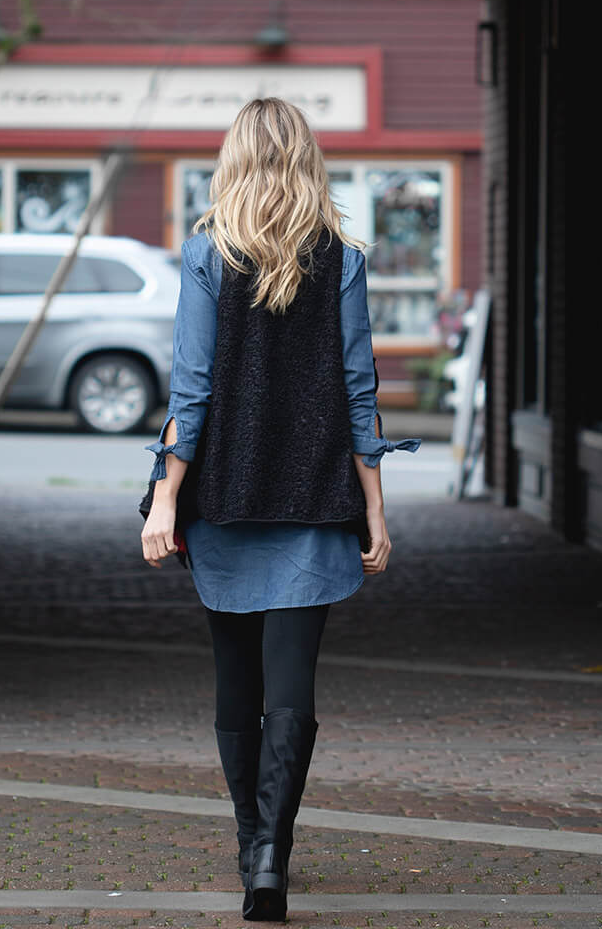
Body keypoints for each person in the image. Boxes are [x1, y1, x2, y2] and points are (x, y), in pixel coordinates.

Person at [140, 97, 419, 921]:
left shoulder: (203, 255)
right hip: (315, 498)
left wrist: (165, 501)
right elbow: (360, 391)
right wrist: (375, 510)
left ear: (232, 160)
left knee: (237, 677)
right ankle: (272, 858)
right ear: (307, 160)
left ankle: (249, 842)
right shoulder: (344, 260)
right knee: (291, 681)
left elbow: (189, 392)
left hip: (223, 496)